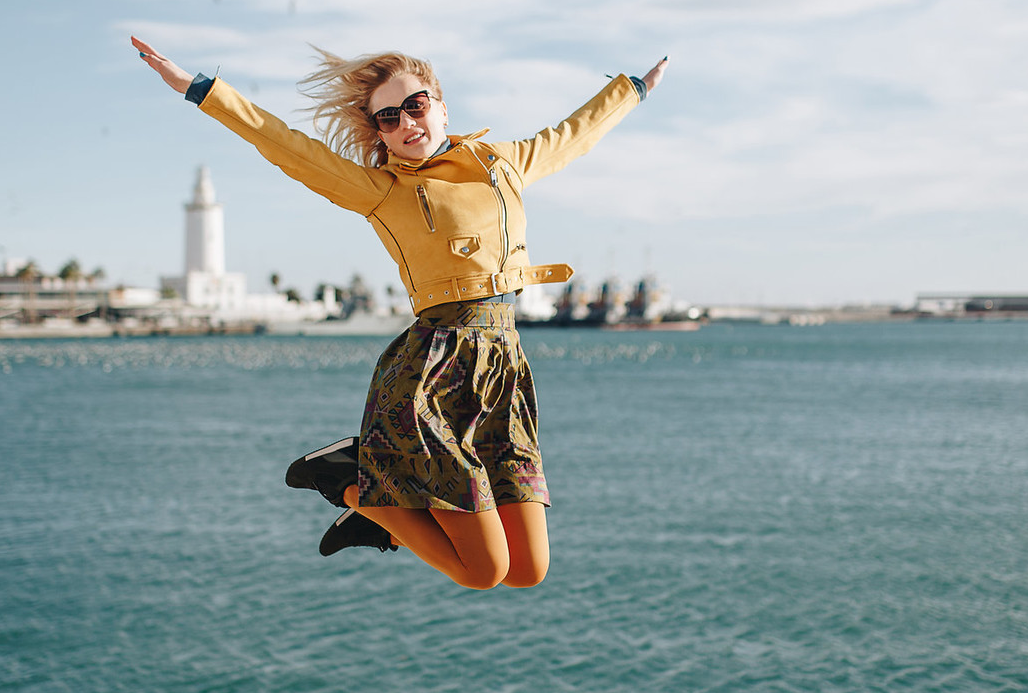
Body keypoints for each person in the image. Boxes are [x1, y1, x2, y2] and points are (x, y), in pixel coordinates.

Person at [133, 36, 667, 590]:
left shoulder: (501, 162)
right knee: (485, 572)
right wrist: (202, 90)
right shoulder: (380, 190)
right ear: (378, 132)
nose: (407, 123)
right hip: (433, 368)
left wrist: (631, 90)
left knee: (528, 571)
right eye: (388, 118)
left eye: (415, 105)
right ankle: (348, 483)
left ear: (439, 103)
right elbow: (285, 145)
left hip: (503, 368)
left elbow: (573, 135)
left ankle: (381, 506)